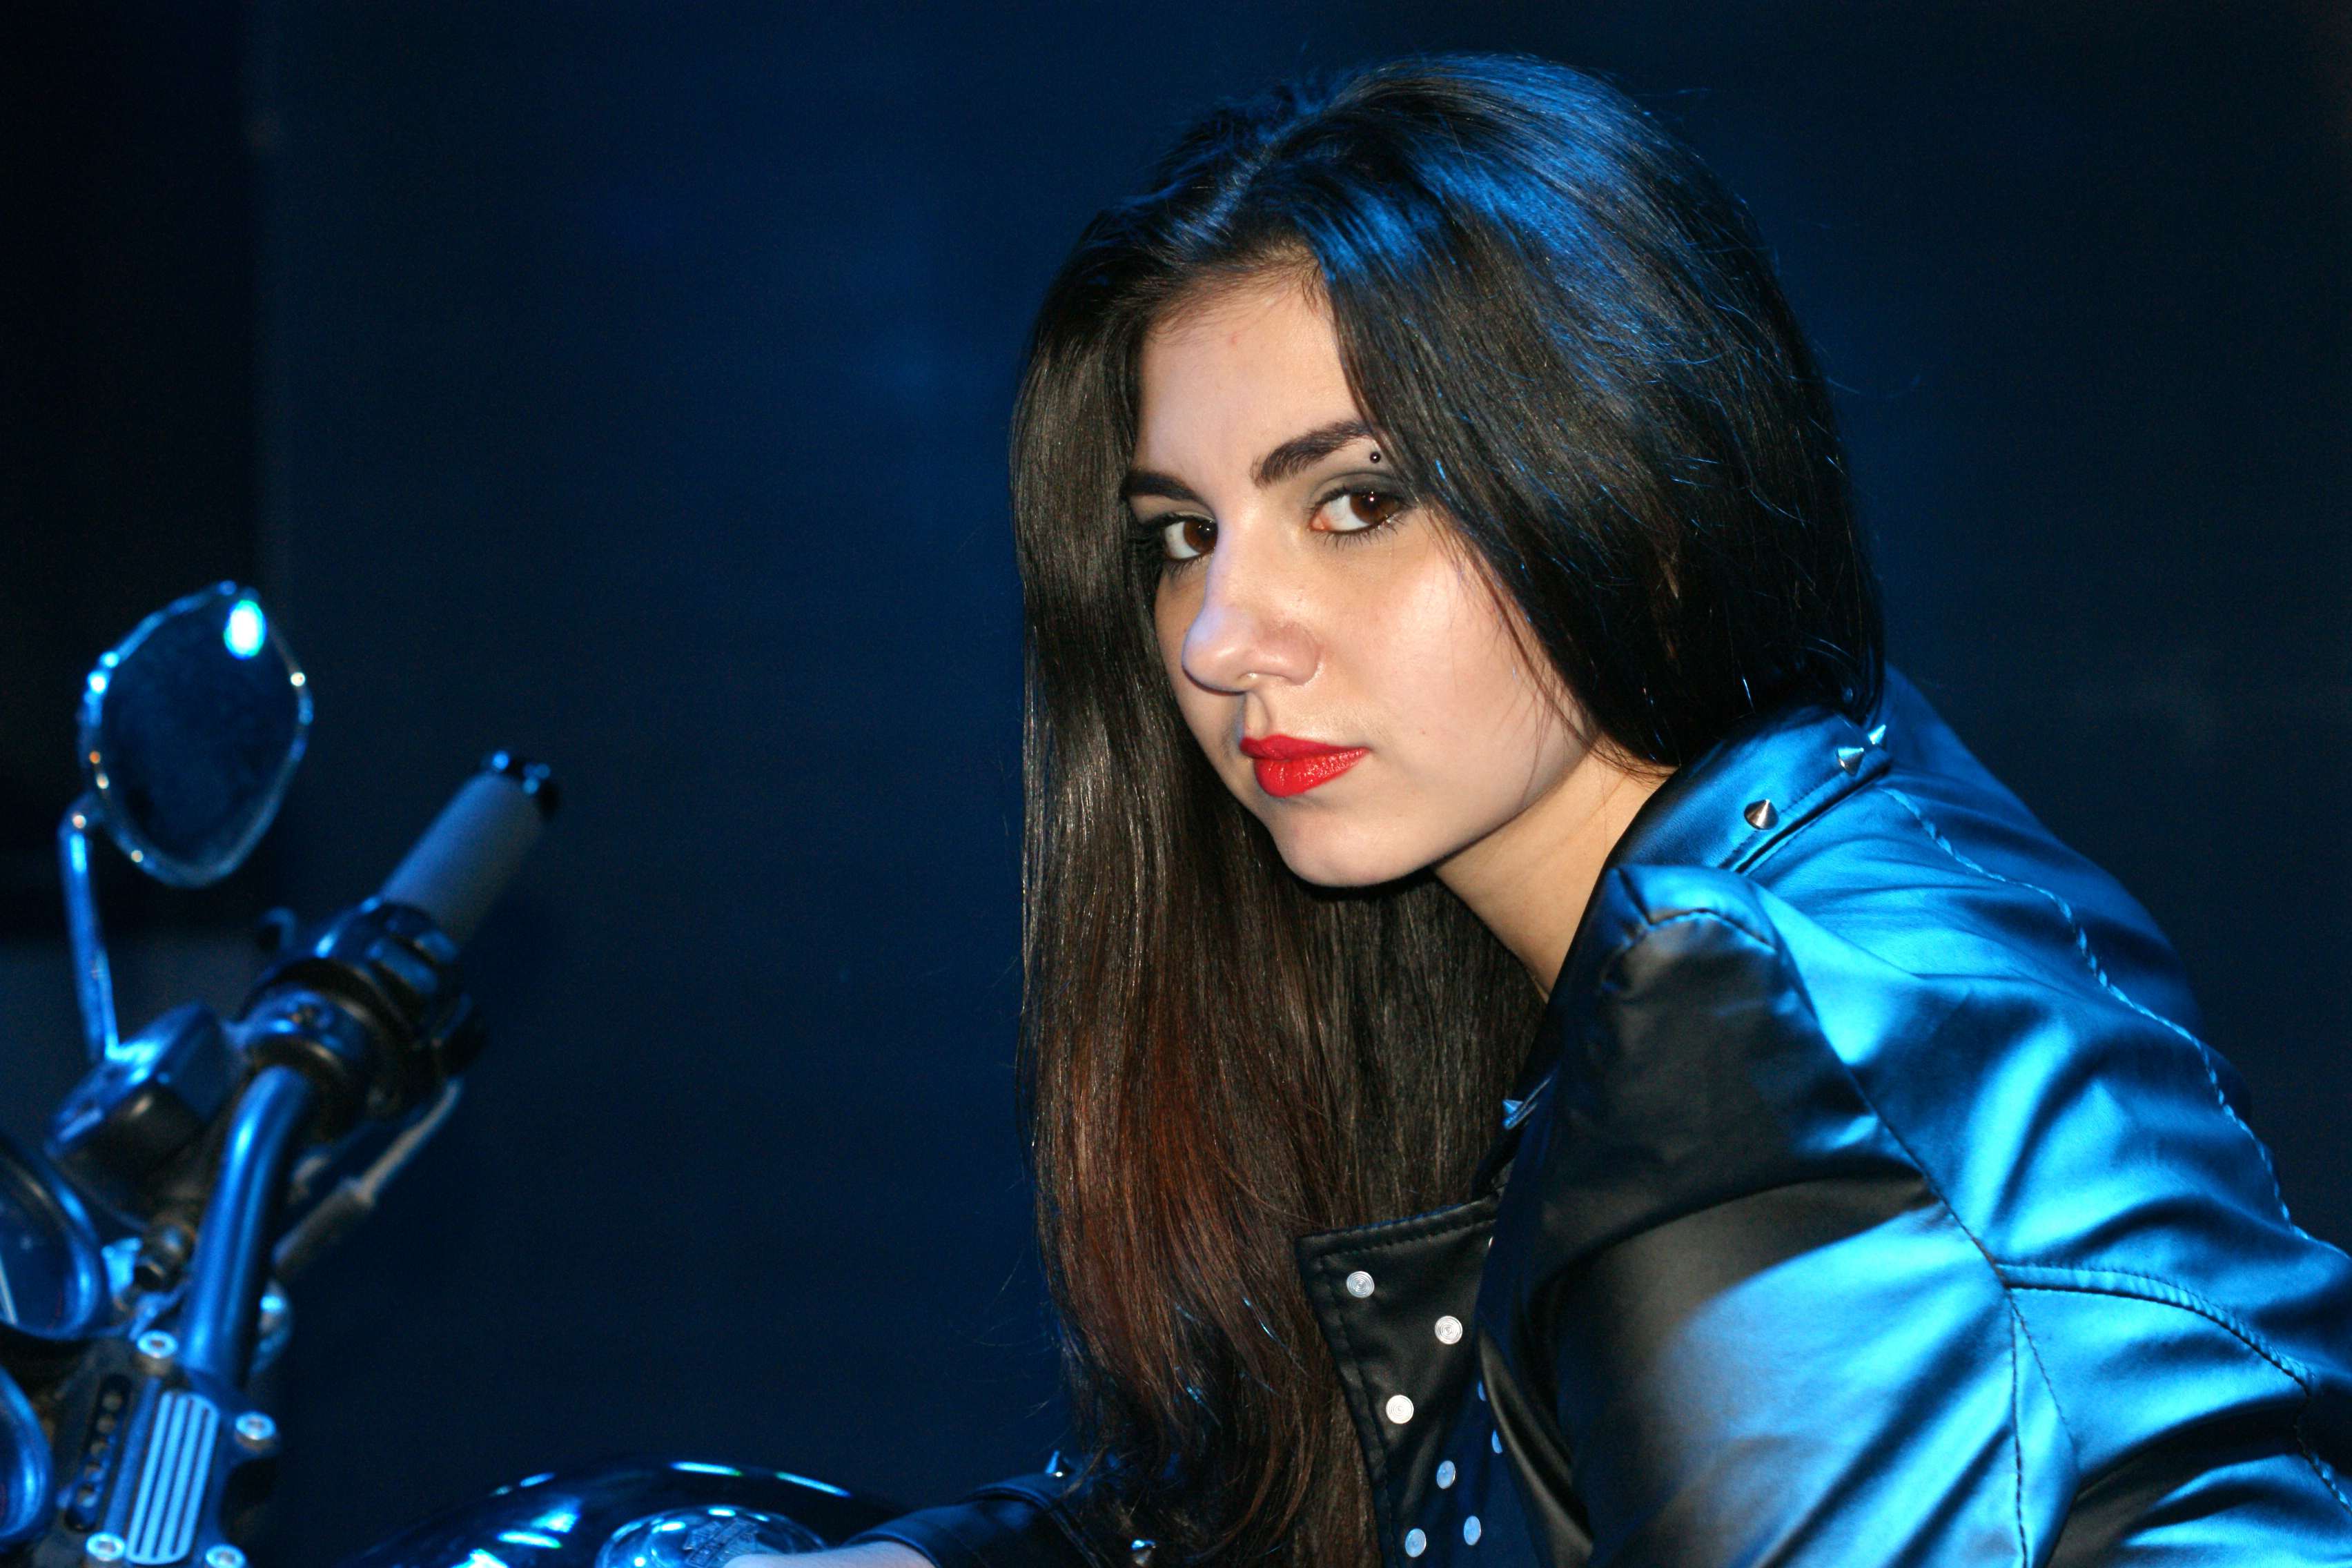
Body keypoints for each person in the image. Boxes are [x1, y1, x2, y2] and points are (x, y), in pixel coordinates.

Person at [746, 54, 2352, 1567]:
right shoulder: (1766, 848)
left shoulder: (1747, 1031)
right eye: (1183, 534)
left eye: (1357, 501)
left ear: (1639, 504)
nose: (1222, 639)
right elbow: (1319, 1493)